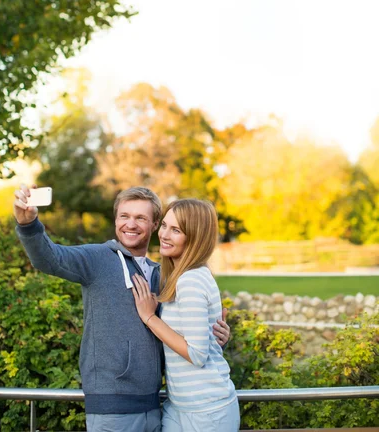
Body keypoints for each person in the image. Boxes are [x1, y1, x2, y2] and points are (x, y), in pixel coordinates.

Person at [13, 185, 230, 432]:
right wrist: (28, 226)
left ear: (155, 224)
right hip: (112, 409)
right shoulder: (97, 259)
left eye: (141, 218)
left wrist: (217, 339)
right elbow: (49, 258)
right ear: (116, 220)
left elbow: (185, 336)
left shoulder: (163, 275)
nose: (131, 224)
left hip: (157, 405)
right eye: (124, 216)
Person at [132, 198, 240, 432]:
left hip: (206, 412)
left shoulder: (190, 280)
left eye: (176, 230)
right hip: (181, 406)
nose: (164, 235)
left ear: (195, 238)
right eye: (164, 226)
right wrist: (217, 338)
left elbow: (197, 354)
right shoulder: (184, 277)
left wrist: (150, 318)